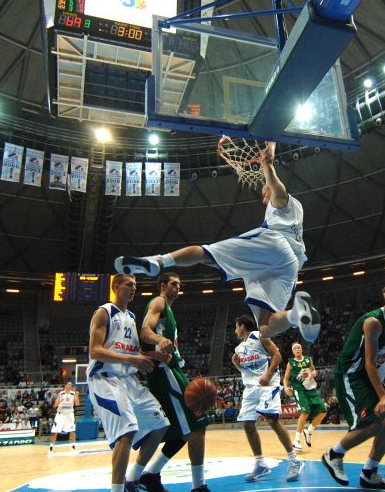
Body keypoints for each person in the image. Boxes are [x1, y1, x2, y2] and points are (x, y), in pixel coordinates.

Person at [115, 142, 320, 344]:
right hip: (289, 266)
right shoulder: (293, 212)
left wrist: (267, 166)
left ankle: (159, 261)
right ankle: (297, 314)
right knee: (265, 328)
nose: (263, 199)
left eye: (264, 194)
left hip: (274, 246)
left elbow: (275, 186)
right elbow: (273, 185)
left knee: (206, 253)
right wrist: (271, 149)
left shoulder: (283, 202)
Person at [87, 273, 170, 492]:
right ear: (115, 287)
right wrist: (132, 361)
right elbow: (95, 350)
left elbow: (131, 352)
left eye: (135, 285)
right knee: (127, 431)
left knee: (160, 425)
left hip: (128, 381)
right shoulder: (104, 313)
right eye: (129, 285)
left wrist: (153, 354)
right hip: (105, 379)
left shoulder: (132, 318)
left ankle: (133, 480)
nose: (134, 289)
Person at [136, 272, 224, 492]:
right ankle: (198, 491)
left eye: (180, 284)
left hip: (173, 371)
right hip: (165, 372)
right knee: (197, 425)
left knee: (185, 432)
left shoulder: (170, 311)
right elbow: (144, 330)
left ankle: (151, 475)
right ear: (163, 286)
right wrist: (158, 338)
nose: (178, 287)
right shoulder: (158, 302)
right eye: (173, 284)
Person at [321, 283, 385, 490]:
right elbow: (369, 363)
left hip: (369, 377)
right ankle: (333, 455)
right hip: (351, 375)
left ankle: (369, 473)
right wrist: (383, 396)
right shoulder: (373, 322)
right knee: (375, 424)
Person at [232, 315, 302, 483]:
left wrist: (268, 374)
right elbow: (247, 369)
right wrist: (236, 364)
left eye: (236, 326)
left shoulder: (260, 336)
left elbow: (277, 356)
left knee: (272, 420)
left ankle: (294, 460)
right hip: (250, 388)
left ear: (242, 326)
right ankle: (260, 464)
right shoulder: (240, 348)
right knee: (247, 423)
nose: (235, 330)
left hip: (267, 385)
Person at [283, 342, 327, 452]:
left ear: (301, 350)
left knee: (323, 410)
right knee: (305, 411)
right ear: (293, 352)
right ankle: (296, 441)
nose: (297, 349)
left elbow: (313, 369)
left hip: (310, 388)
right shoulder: (291, 363)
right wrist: (286, 387)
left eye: (299, 348)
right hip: (299, 389)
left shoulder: (308, 359)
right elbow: (285, 378)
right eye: (295, 348)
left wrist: (314, 372)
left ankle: (309, 431)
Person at [49, 382, 79, 452]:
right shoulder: (61, 393)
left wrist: (77, 396)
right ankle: (51, 446)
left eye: (71, 385)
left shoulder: (73, 393)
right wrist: (59, 401)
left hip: (69, 414)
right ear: (65, 385)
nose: (70, 385)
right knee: (55, 431)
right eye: (68, 384)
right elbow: (55, 405)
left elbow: (77, 403)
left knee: (72, 430)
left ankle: (73, 445)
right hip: (61, 414)